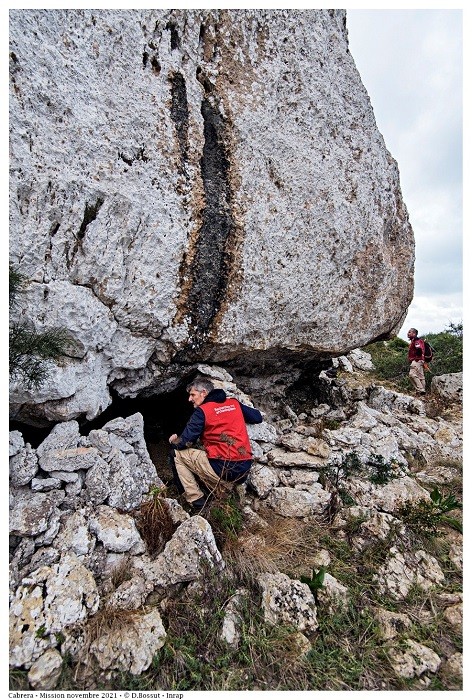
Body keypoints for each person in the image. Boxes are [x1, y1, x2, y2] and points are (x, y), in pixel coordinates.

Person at [168, 377, 263, 509]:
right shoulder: (233, 403)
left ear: (204, 393)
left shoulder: (202, 411)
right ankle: (221, 491)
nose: (190, 399)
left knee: (175, 454)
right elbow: (257, 417)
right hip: (243, 471)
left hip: (221, 469)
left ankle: (194, 499)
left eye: (192, 394)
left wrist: (174, 441)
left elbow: (185, 442)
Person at [407, 328, 426, 395]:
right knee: (421, 377)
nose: (408, 333)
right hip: (421, 360)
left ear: (414, 334)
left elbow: (419, 350)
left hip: (417, 360)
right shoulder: (418, 340)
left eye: (409, 332)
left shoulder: (416, 341)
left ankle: (420, 389)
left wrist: (416, 359)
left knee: (411, 374)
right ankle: (422, 393)